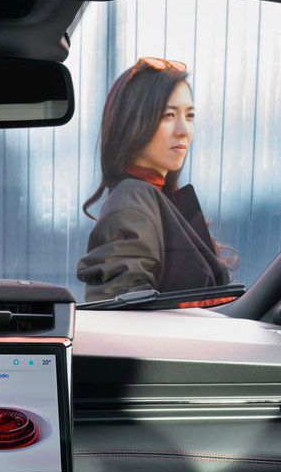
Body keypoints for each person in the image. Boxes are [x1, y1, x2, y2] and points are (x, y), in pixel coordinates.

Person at [77, 58, 232, 301]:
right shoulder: (133, 201)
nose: (183, 130)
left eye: (190, 116)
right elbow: (121, 310)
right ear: (133, 122)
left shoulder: (155, 199)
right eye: (168, 115)